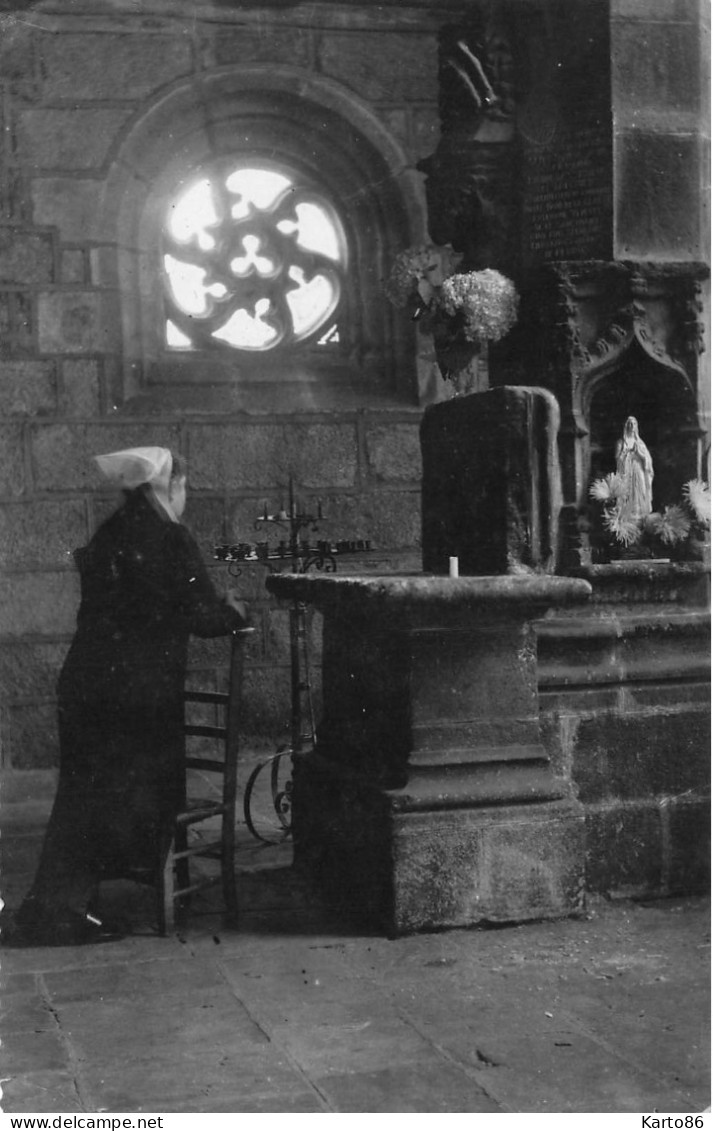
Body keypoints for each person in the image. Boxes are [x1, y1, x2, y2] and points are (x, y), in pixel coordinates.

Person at [8, 447, 248, 946]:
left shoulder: (111, 532)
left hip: (87, 685)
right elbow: (202, 617)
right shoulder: (170, 536)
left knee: (84, 791)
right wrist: (234, 611)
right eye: (184, 489)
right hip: (134, 694)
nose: (185, 500)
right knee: (129, 790)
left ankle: (61, 903)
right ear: (169, 486)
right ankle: (65, 908)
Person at [615, 416, 654, 522]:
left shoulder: (640, 443)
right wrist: (627, 453)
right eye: (629, 423)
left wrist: (639, 454)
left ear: (637, 426)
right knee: (628, 492)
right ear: (626, 426)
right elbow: (618, 459)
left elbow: (648, 460)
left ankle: (640, 514)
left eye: (634, 424)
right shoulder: (621, 442)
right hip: (626, 471)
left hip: (638, 470)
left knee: (640, 491)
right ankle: (627, 514)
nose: (631, 426)